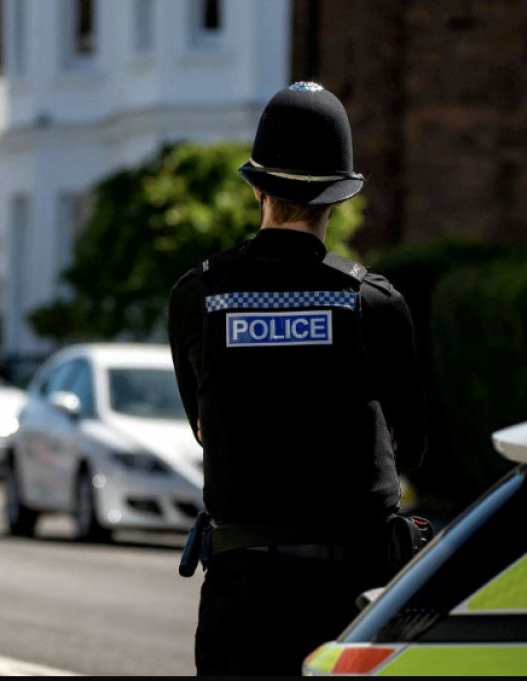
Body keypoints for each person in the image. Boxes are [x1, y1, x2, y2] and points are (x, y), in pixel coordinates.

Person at [168, 82, 427, 676]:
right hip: (348, 601)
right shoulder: (373, 302)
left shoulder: (198, 296)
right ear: (337, 199)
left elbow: (205, 427)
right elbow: (411, 446)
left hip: (241, 601)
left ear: (257, 187)